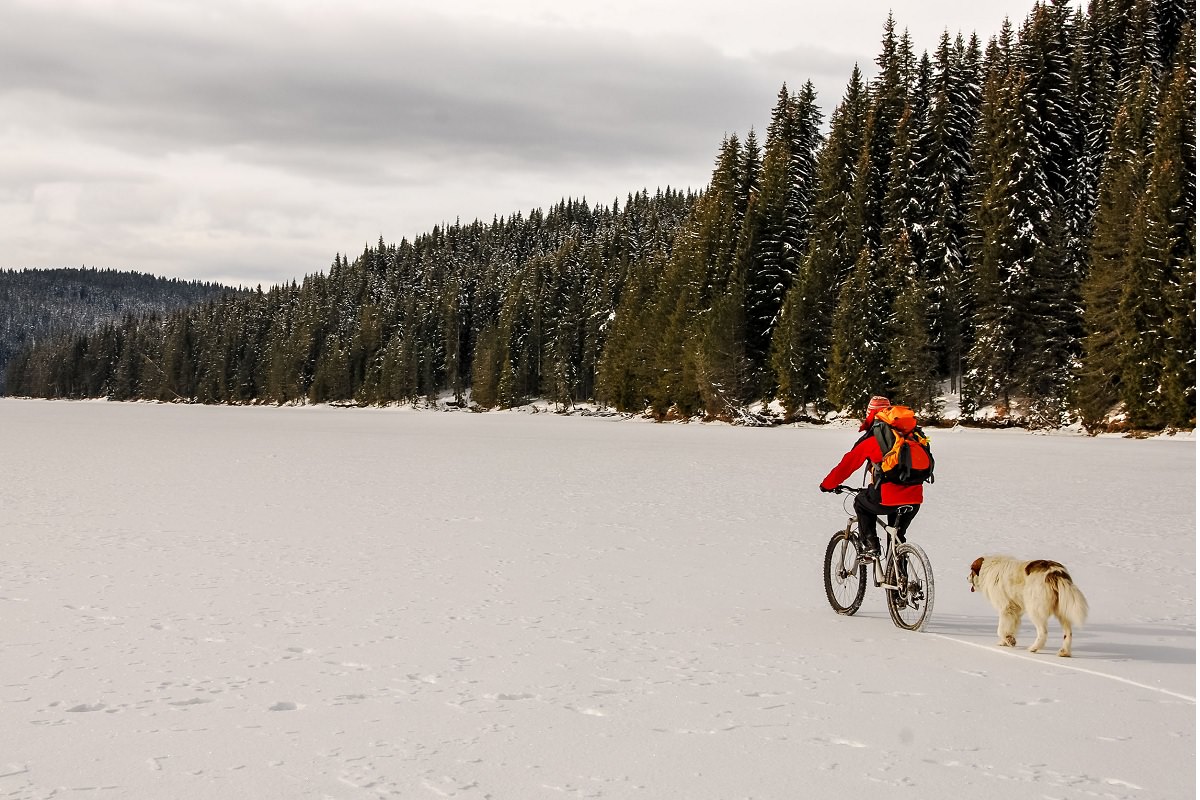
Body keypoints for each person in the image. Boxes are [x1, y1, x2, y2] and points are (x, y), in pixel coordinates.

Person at [819, 395, 922, 557]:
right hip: (914, 498)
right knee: (897, 539)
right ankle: (900, 578)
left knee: (861, 502)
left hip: (886, 497)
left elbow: (846, 466)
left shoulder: (874, 439)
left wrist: (827, 485)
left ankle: (870, 544)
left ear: (870, 414)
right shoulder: (910, 435)